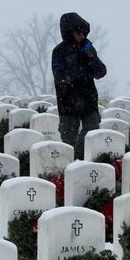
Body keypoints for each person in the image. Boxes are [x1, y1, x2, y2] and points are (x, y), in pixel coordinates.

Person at [52, 12, 107, 154]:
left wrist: (90, 56)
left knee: (91, 139)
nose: (82, 36)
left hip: (88, 102)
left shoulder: (87, 48)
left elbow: (101, 72)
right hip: (68, 104)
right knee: (69, 145)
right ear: (69, 32)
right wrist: (80, 72)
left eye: (84, 33)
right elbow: (60, 78)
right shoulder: (59, 52)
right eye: (78, 32)